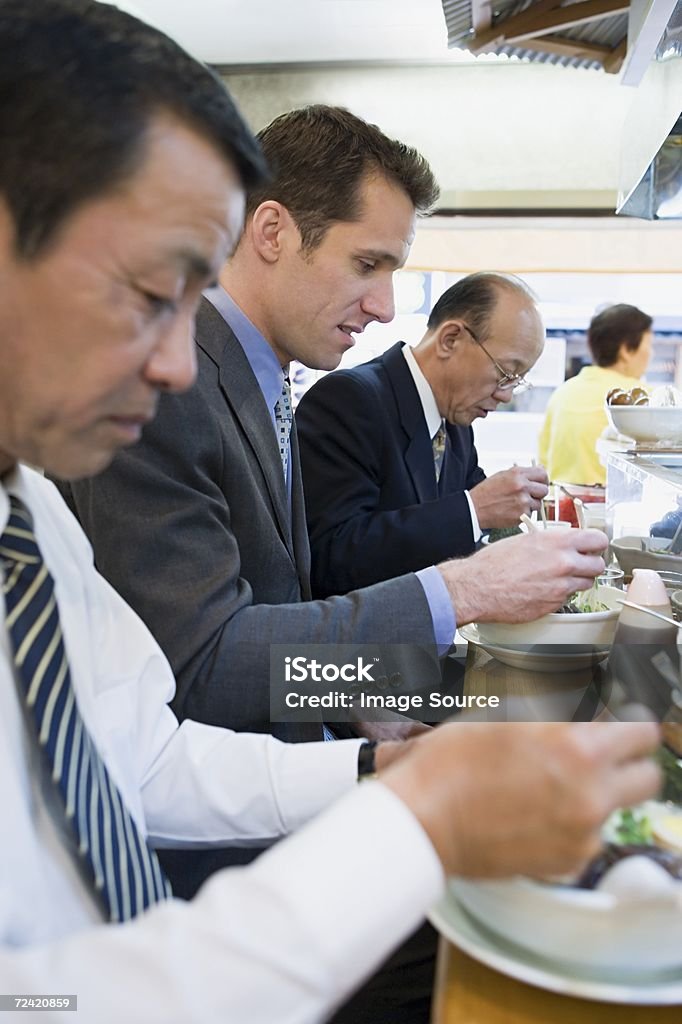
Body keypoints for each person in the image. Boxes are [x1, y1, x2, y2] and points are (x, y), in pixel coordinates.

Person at [0, 3, 663, 1022]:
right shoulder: (300, 398)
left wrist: (377, 759)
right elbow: (221, 655)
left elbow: (145, 749)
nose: (173, 355)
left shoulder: (34, 507)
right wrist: (458, 597)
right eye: (147, 291)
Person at [296, 272, 550, 595]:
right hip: (361, 644)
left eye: (518, 380)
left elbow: (475, 522)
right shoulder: (350, 400)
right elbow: (332, 558)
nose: (506, 394)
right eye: (505, 373)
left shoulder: (456, 423)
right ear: (450, 340)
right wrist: (475, 509)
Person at [538, 303, 653, 485]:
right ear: (626, 350)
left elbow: (543, 463)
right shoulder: (644, 399)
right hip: (615, 508)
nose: (650, 354)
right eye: (649, 345)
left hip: (561, 506)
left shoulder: (563, 393)